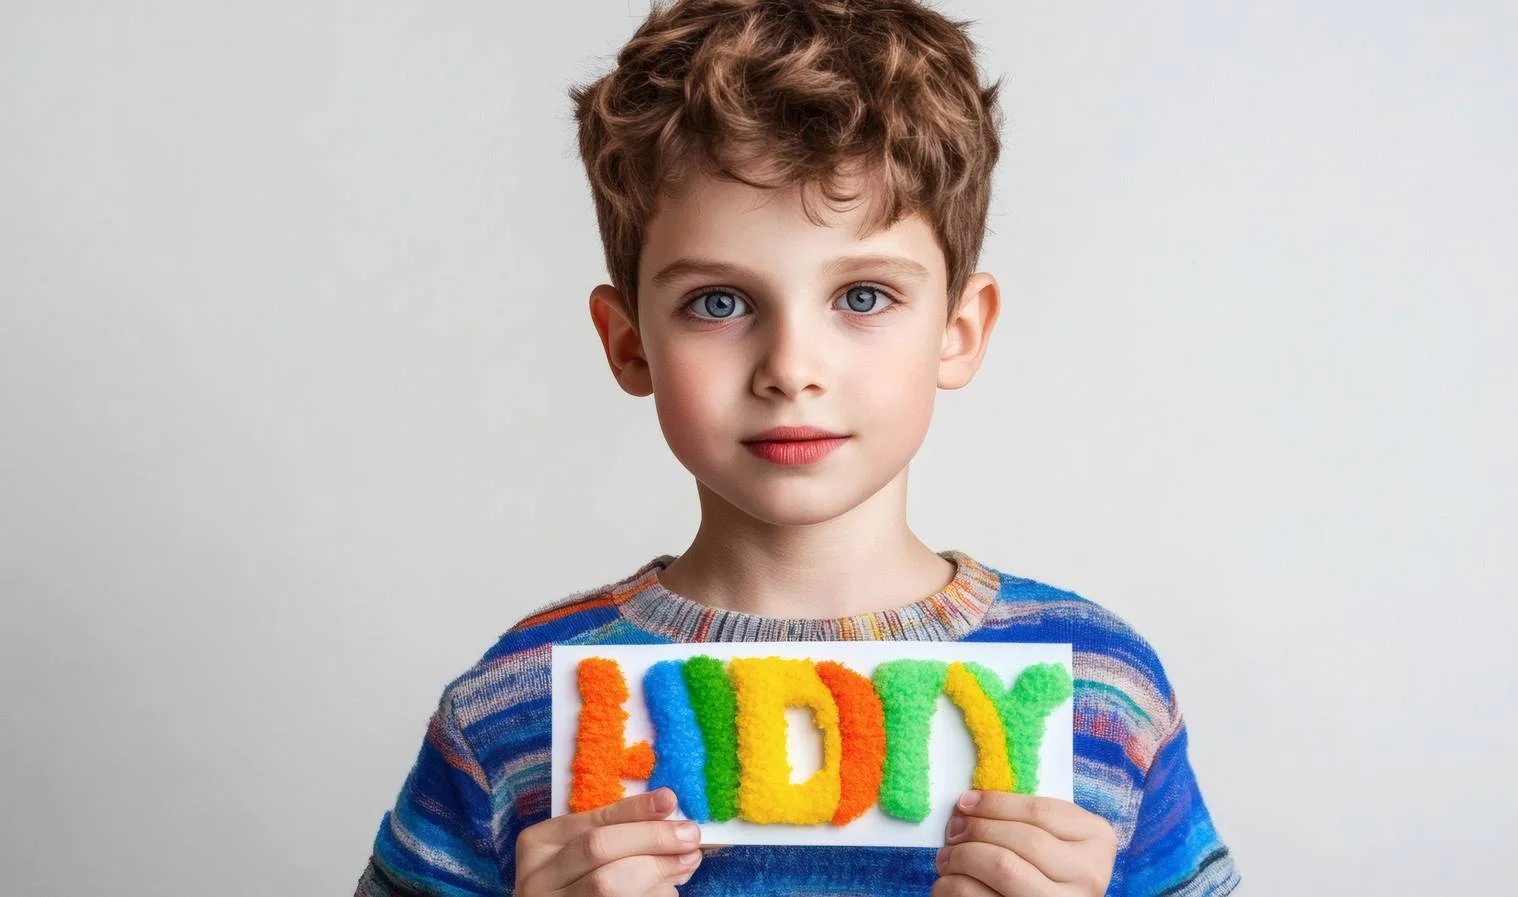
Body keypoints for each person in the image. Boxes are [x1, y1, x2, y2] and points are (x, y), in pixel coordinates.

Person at [355, 1, 1238, 895]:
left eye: (861, 297)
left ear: (959, 330)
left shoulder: (1103, 694)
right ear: (629, 343)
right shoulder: (516, 705)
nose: (791, 369)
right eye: (719, 303)